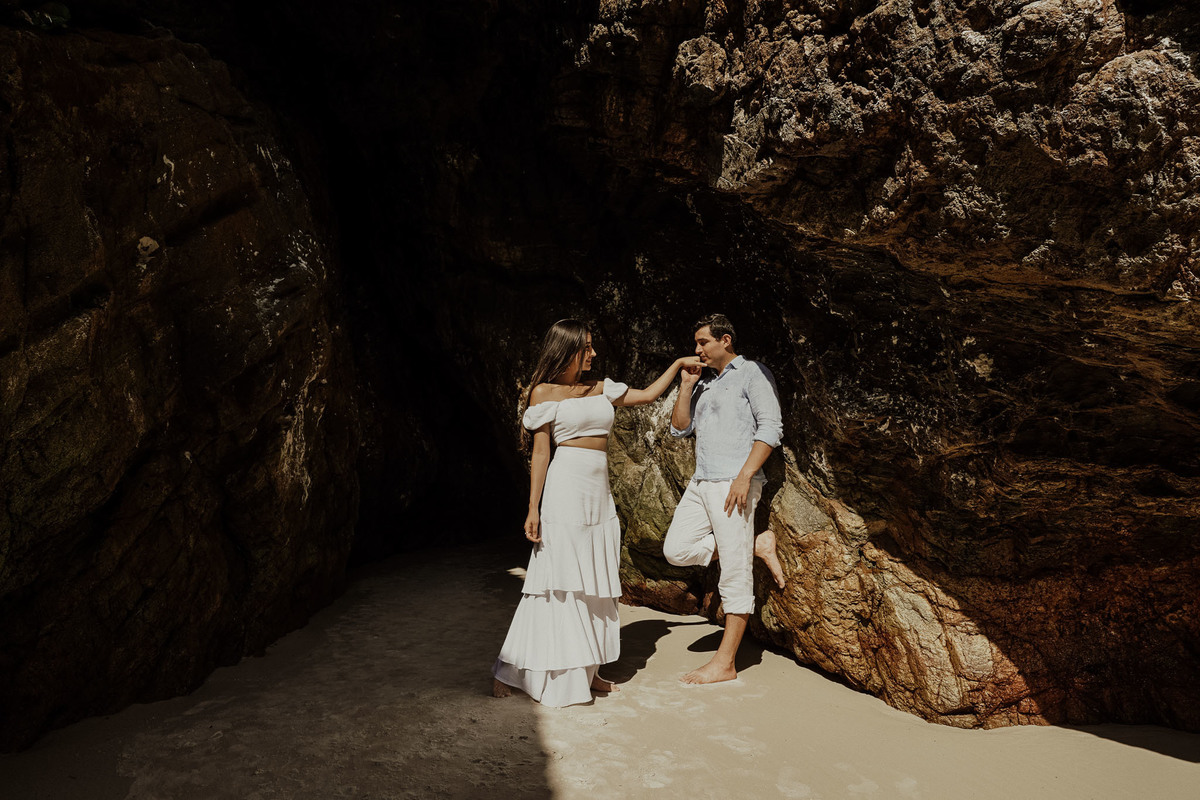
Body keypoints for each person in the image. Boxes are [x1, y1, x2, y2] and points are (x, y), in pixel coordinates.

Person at [493, 319, 704, 706]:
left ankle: (589, 672)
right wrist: (533, 508)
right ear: (567, 349)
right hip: (564, 491)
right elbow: (541, 452)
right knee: (557, 583)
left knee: (593, 582)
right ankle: (517, 669)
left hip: (598, 495)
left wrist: (677, 366)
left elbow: (647, 395)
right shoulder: (543, 392)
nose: (593, 353)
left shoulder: (601, 387)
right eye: (586, 347)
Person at [663, 313, 786, 684]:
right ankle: (756, 544)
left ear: (725, 340)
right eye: (696, 343)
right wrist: (686, 385)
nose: (697, 349)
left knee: (734, 572)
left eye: (703, 342)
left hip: (734, 482)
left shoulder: (753, 373)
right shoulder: (704, 382)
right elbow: (679, 429)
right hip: (701, 481)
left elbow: (771, 427)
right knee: (676, 549)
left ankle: (725, 663)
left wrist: (744, 476)